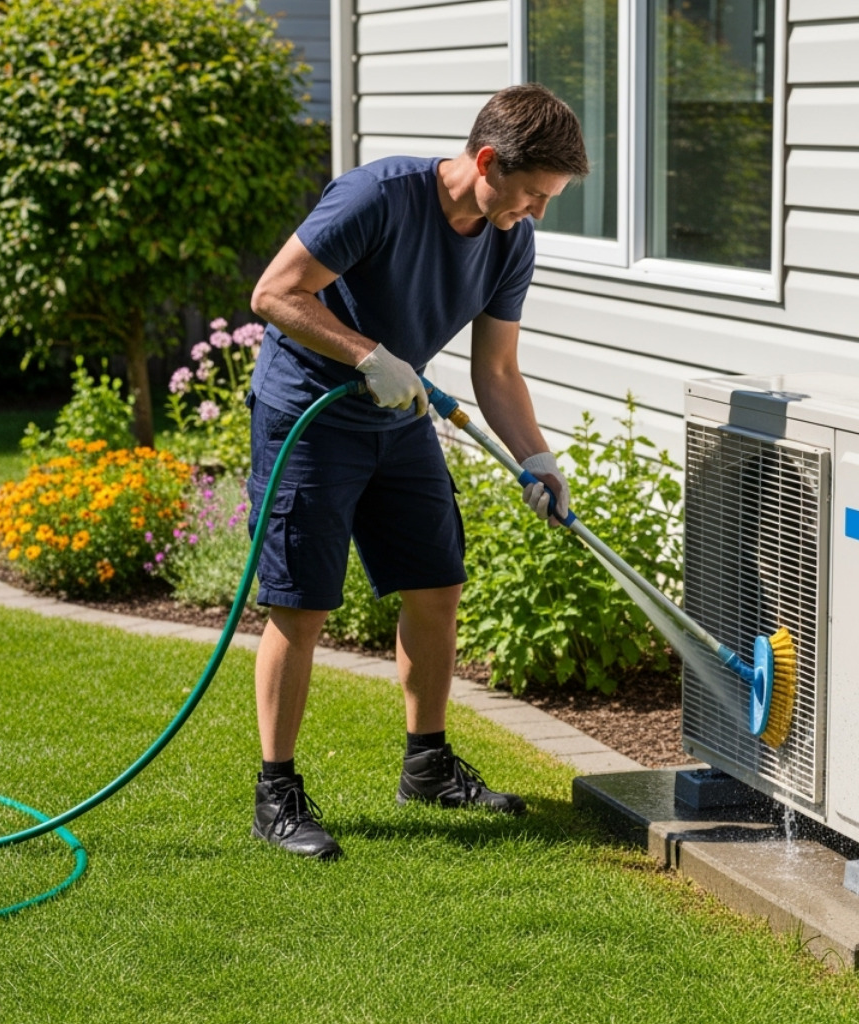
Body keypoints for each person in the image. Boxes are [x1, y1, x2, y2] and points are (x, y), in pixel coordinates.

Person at [244, 84, 589, 860]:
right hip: (310, 413)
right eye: (533, 193)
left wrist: (536, 456)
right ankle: (276, 795)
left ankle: (428, 765)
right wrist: (366, 353)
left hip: (398, 421)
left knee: (436, 583)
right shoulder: (379, 197)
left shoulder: (508, 239)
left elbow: (497, 368)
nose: (536, 212)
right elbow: (273, 292)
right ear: (489, 162)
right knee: (301, 606)